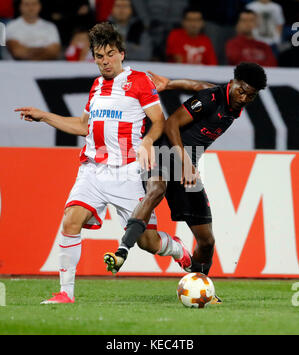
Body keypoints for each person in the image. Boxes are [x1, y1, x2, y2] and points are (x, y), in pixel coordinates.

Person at [15, 22, 192, 304]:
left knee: (148, 242)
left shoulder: (140, 81)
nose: (105, 61)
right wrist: (44, 115)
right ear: (94, 59)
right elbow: (84, 126)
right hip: (92, 170)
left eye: (110, 54)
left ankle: (175, 248)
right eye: (99, 56)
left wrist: (146, 141)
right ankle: (65, 293)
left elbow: (159, 121)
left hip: (127, 172)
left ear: (121, 53)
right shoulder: (97, 86)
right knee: (71, 219)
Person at [104, 62, 267, 294]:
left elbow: (198, 85)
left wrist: (170, 84)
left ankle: (200, 290)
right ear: (234, 82)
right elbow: (171, 124)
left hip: (186, 170)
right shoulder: (212, 97)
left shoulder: (228, 101)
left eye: (250, 96)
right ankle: (122, 250)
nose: (243, 98)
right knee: (156, 190)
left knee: (207, 241)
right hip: (165, 154)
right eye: (241, 91)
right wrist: (186, 163)